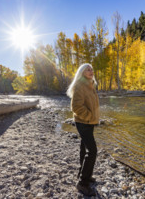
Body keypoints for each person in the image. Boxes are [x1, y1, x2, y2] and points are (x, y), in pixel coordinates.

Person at [66, 63, 100, 196]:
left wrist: (94, 118)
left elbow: (92, 104)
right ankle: (82, 183)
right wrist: (90, 116)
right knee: (92, 151)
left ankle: (83, 174)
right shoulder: (80, 85)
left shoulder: (91, 85)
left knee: (84, 148)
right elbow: (76, 107)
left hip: (89, 122)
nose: (91, 71)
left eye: (91, 69)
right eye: (87, 70)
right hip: (83, 122)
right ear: (82, 72)